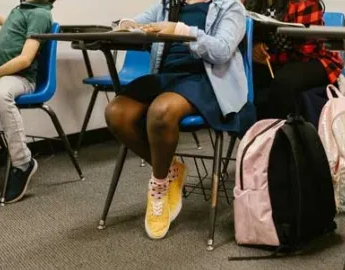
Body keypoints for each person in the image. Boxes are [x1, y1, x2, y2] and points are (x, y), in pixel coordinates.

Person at [105, 0, 253, 240]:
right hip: (168, 77)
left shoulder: (230, 6)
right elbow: (136, 24)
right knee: (115, 113)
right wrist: (127, 25)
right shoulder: (167, 4)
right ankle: (171, 168)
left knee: (161, 111)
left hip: (207, 80)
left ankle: (159, 185)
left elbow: (222, 51)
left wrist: (182, 31)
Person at [0, 0, 55, 204]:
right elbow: (16, 27)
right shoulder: (23, 10)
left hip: (21, 78)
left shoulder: (40, 14)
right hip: (0, 77)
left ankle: (23, 162)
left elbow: (25, 60)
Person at [244, 0, 344, 119]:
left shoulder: (305, 2)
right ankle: (254, 132)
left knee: (284, 82)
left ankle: (283, 133)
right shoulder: (249, 2)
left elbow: (307, 51)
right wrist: (255, 47)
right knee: (247, 78)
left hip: (315, 58)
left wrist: (270, 58)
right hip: (276, 58)